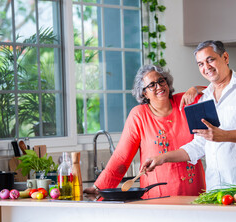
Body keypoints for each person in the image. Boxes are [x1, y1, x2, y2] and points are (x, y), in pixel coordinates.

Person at [142, 40, 236, 191]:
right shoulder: (205, 97)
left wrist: (223, 135)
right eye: (201, 64)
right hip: (215, 187)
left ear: (225, 57)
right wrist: (161, 158)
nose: (206, 67)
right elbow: (199, 145)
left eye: (210, 60)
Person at [84, 64, 206, 198]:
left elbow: (220, 96)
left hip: (194, 194)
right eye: (152, 85)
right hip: (156, 196)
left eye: (161, 81)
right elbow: (122, 158)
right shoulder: (139, 116)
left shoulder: (187, 101)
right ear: (144, 92)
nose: (159, 87)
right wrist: (99, 187)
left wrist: (196, 89)